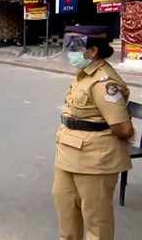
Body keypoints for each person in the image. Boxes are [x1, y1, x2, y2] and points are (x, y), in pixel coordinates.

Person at [52, 35, 135, 240]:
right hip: (68, 152)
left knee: (96, 222)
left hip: (94, 159)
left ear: (93, 51)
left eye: (74, 48)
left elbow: (123, 127)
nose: (70, 53)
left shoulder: (104, 81)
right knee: (67, 214)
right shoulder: (83, 74)